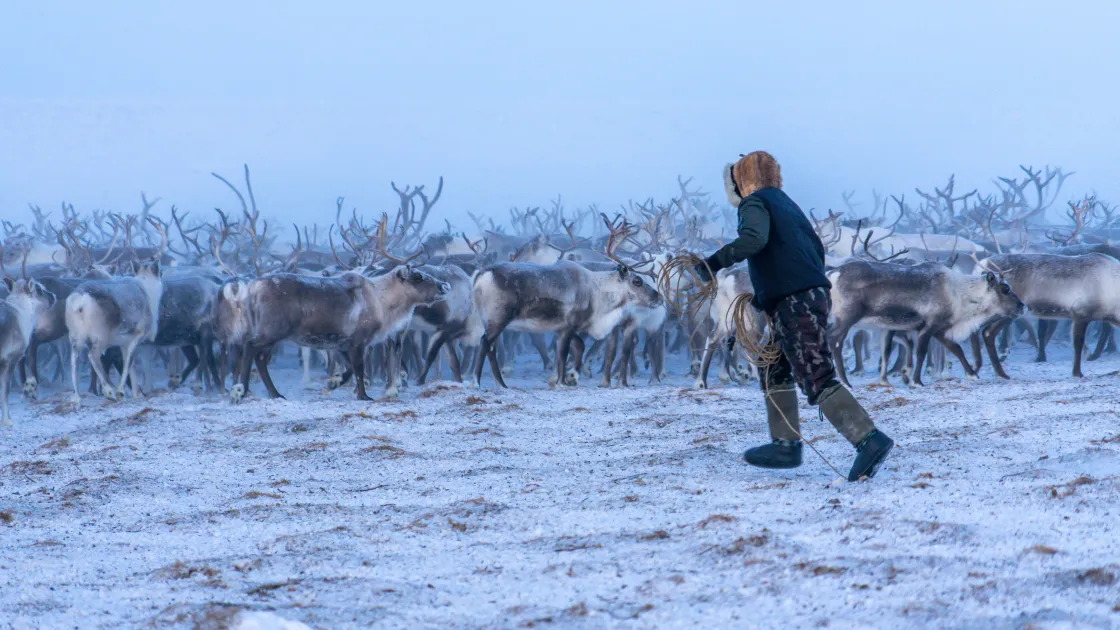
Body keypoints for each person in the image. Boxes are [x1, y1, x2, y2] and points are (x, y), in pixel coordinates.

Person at [693, 151, 893, 481]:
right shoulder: (786, 204)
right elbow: (813, 250)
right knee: (773, 365)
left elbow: (754, 240)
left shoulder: (753, 203)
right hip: (807, 296)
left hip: (794, 302)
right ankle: (785, 445)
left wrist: (711, 264)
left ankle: (868, 440)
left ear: (742, 181)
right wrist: (766, 295)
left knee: (816, 375)